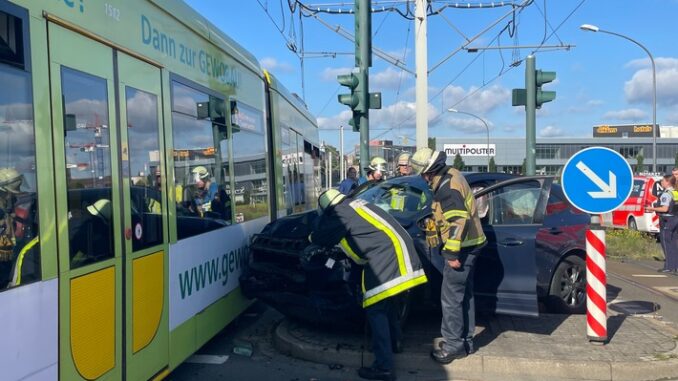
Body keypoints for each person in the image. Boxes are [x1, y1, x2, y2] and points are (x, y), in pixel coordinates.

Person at [309, 189, 428, 381]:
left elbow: (323, 236)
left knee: (375, 309)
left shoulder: (341, 213)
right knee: (388, 304)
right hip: (399, 252)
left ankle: (384, 367)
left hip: (386, 258)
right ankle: (395, 343)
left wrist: (311, 239)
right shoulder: (356, 205)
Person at [410, 148, 487, 364]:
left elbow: (458, 221)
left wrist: (451, 253)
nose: (423, 179)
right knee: (465, 295)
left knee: (451, 298)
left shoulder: (446, 187)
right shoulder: (452, 174)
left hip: (462, 249)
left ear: (429, 171)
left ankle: (453, 346)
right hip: (473, 244)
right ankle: (466, 342)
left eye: (423, 174)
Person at [646, 174, 678, 273]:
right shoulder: (675, 192)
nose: (661, 182)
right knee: (674, 244)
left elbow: (665, 208)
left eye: (663, 181)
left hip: (667, 220)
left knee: (666, 243)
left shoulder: (666, 194)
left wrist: (651, 208)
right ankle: (675, 266)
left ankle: (668, 267)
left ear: (668, 182)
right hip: (675, 219)